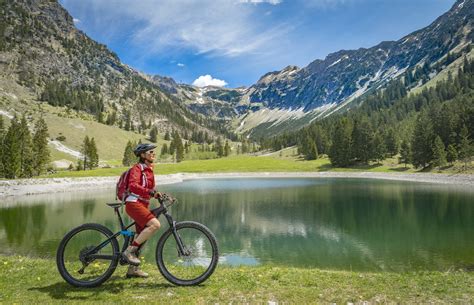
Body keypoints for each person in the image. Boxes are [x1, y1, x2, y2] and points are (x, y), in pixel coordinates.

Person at [122, 143, 161, 278]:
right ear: (143, 155)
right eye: (151, 152)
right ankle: (129, 251)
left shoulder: (149, 170)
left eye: (153, 152)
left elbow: (149, 189)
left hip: (142, 204)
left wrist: (156, 193)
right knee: (155, 225)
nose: (153, 154)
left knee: (141, 238)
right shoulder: (137, 168)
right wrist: (150, 192)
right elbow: (133, 186)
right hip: (133, 203)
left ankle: (132, 270)